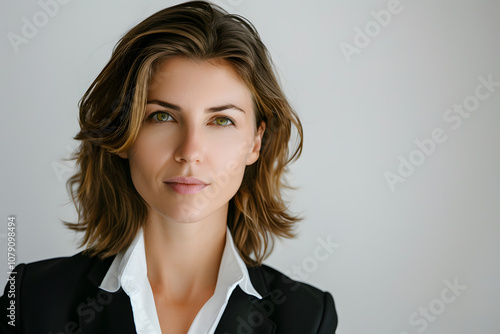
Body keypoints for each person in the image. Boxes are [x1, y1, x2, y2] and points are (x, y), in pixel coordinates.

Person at [0, 1, 337, 333]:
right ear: (123, 132)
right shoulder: (31, 299)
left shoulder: (307, 318)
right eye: (162, 116)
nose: (190, 152)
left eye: (221, 120)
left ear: (255, 142)